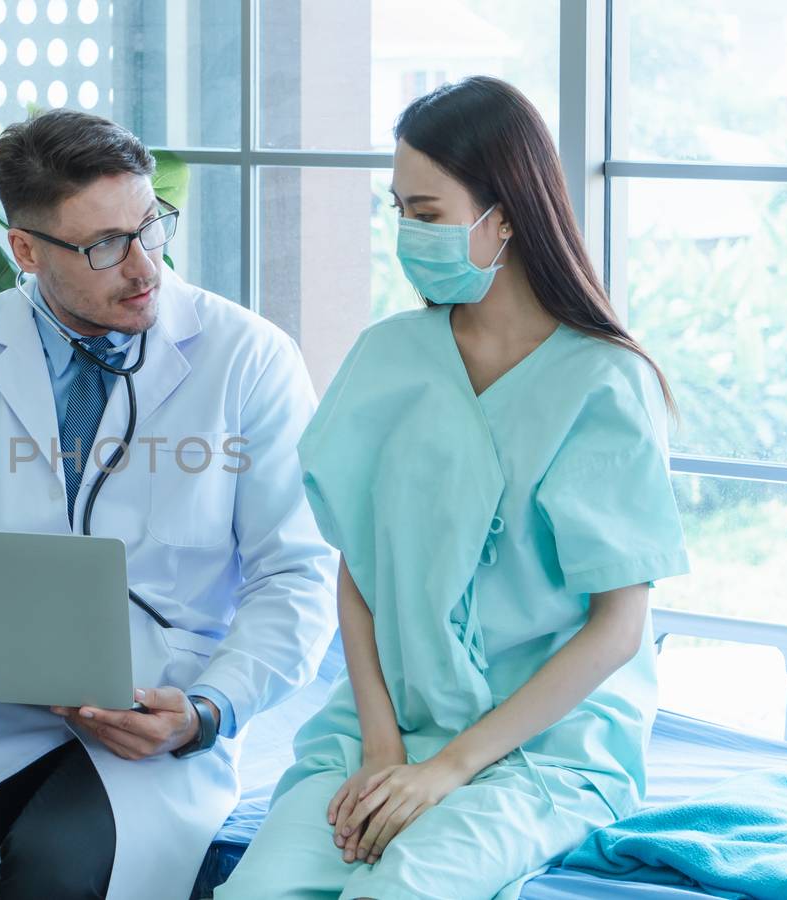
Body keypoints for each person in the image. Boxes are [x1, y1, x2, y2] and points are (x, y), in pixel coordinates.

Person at [0, 109, 338, 900]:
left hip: (158, 714)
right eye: (104, 247)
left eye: (151, 227)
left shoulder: (249, 360)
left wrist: (206, 710)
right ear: (25, 249)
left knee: (59, 868)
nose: (144, 267)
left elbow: (297, 574)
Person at [217, 76, 690, 900]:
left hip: (543, 747)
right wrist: (382, 751)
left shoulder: (603, 383)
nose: (406, 233)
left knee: (399, 891)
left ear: (503, 215)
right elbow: (359, 571)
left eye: (428, 214)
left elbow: (620, 628)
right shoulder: (387, 357)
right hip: (389, 723)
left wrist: (450, 770)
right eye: (397, 209)